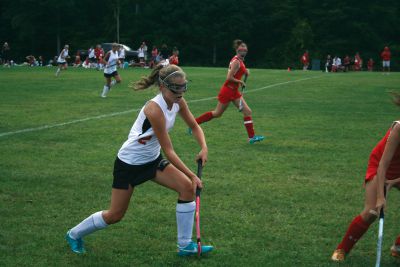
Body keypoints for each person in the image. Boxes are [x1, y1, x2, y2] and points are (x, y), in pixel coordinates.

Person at [65, 63, 214, 256]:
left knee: (186, 188)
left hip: (152, 161)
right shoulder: (154, 109)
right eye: (175, 88)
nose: (180, 92)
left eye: (183, 87)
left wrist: (204, 147)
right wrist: (192, 174)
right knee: (115, 215)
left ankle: (185, 246)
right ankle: (74, 234)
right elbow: (169, 150)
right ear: (162, 87)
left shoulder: (179, 102)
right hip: (129, 164)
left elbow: (194, 126)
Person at [331, 92, 400, 262]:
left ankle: (398, 246)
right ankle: (342, 249)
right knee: (372, 212)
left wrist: (394, 183)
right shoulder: (399, 128)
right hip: (381, 165)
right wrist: (380, 196)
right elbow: (383, 164)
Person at [193, 39, 265, 144]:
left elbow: (238, 70)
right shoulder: (237, 62)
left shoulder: (239, 61)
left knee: (247, 111)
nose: (243, 48)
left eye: (245, 47)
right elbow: (229, 77)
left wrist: (245, 72)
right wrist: (240, 81)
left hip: (234, 92)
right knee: (217, 113)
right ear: (237, 49)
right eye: (241, 47)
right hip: (227, 91)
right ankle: (194, 124)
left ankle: (251, 137)